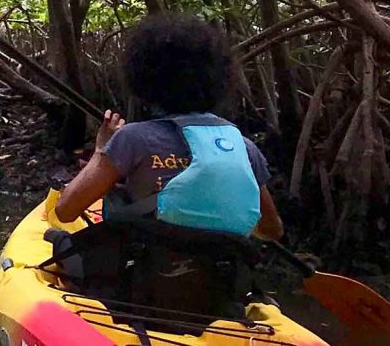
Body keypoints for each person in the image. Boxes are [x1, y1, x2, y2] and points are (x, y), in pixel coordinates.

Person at [55, 12, 284, 241]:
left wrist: (101, 150)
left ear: (144, 78)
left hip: (147, 273)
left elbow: (65, 211)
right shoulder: (244, 148)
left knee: (57, 238)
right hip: (221, 273)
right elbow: (272, 230)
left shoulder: (132, 139)